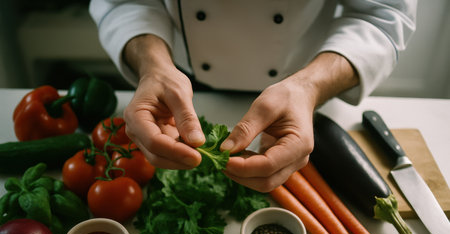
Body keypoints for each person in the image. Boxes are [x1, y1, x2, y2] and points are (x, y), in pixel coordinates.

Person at [89, 0, 417, 192]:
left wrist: (309, 87)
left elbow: (385, 14)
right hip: (180, 81)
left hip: (304, 79)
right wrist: (153, 66)